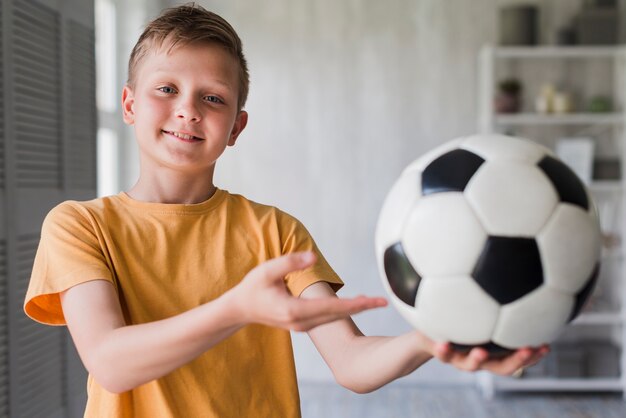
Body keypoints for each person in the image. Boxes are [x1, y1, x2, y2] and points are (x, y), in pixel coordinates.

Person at [24, 3, 548, 417]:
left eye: (213, 98)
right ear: (131, 104)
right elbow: (111, 364)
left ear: (236, 128)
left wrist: (432, 339)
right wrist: (238, 308)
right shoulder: (78, 225)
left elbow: (351, 364)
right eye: (167, 89)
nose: (187, 108)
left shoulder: (274, 231)